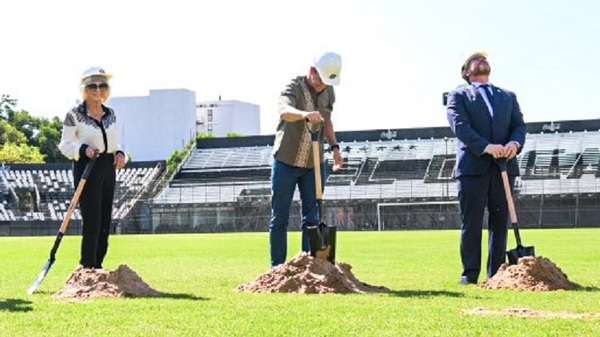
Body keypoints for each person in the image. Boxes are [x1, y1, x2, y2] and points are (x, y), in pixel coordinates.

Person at [446, 52, 526, 284]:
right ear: (467, 72)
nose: (482, 60)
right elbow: (460, 127)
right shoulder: (458, 95)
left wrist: (515, 143)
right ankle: (470, 275)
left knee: (500, 223)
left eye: (484, 59)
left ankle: (496, 274)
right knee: (471, 222)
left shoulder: (508, 96)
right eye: (476, 59)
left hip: (504, 167)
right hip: (473, 167)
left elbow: (519, 125)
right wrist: (487, 147)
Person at [269, 52, 344, 267]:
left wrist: (335, 148)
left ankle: (309, 266)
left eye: (327, 83)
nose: (322, 86)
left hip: (314, 164)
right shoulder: (294, 86)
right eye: (320, 80)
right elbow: (284, 111)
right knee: (280, 218)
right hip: (286, 160)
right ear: (312, 71)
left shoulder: (329, 91)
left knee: (312, 220)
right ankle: (277, 268)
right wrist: (304, 114)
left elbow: (327, 122)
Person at [58, 66, 127, 269]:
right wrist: (83, 149)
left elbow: (115, 142)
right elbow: (64, 145)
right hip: (87, 167)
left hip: (108, 167)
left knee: (106, 218)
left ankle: (98, 265)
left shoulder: (111, 113)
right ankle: (87, 265)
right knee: (92, 218)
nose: (98, 90)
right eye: (93, 86)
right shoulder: (74, 115)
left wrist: (121, 153)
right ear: (84, 88)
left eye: (102, 85)